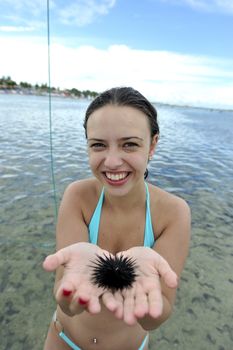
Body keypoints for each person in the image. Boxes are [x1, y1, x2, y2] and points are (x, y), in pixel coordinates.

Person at [43, 87, 191, 350]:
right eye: (98, 144)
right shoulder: (78, 196)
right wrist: (70, 294)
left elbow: (156, 317)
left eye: (129, 144)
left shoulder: (173, 213)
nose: (112, 161)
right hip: (63, 340)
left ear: (153, 145)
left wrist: (140, 292)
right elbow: (65, 297)